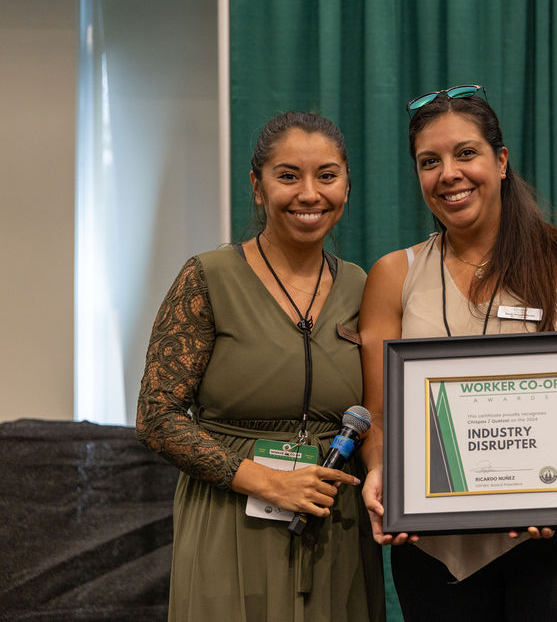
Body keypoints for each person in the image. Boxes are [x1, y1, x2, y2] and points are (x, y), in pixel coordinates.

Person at [358, 88, 557, 620]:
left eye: (466, 153)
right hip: (434, 548)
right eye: (429, 162)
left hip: (552, 539)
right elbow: (381, 419)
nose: (448, 174)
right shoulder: (393, 275)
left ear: (501, 162)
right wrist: (380, 471)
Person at [136, 111, 384, 621]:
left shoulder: (364, 285)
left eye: (327, 176)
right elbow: (156, 417)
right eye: (288, 175)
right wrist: (264, 481)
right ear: (257, 185)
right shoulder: (208, 277)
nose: (309, 194)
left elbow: (385, 409)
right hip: (230, 519)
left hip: (332, 524)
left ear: (347, 186)